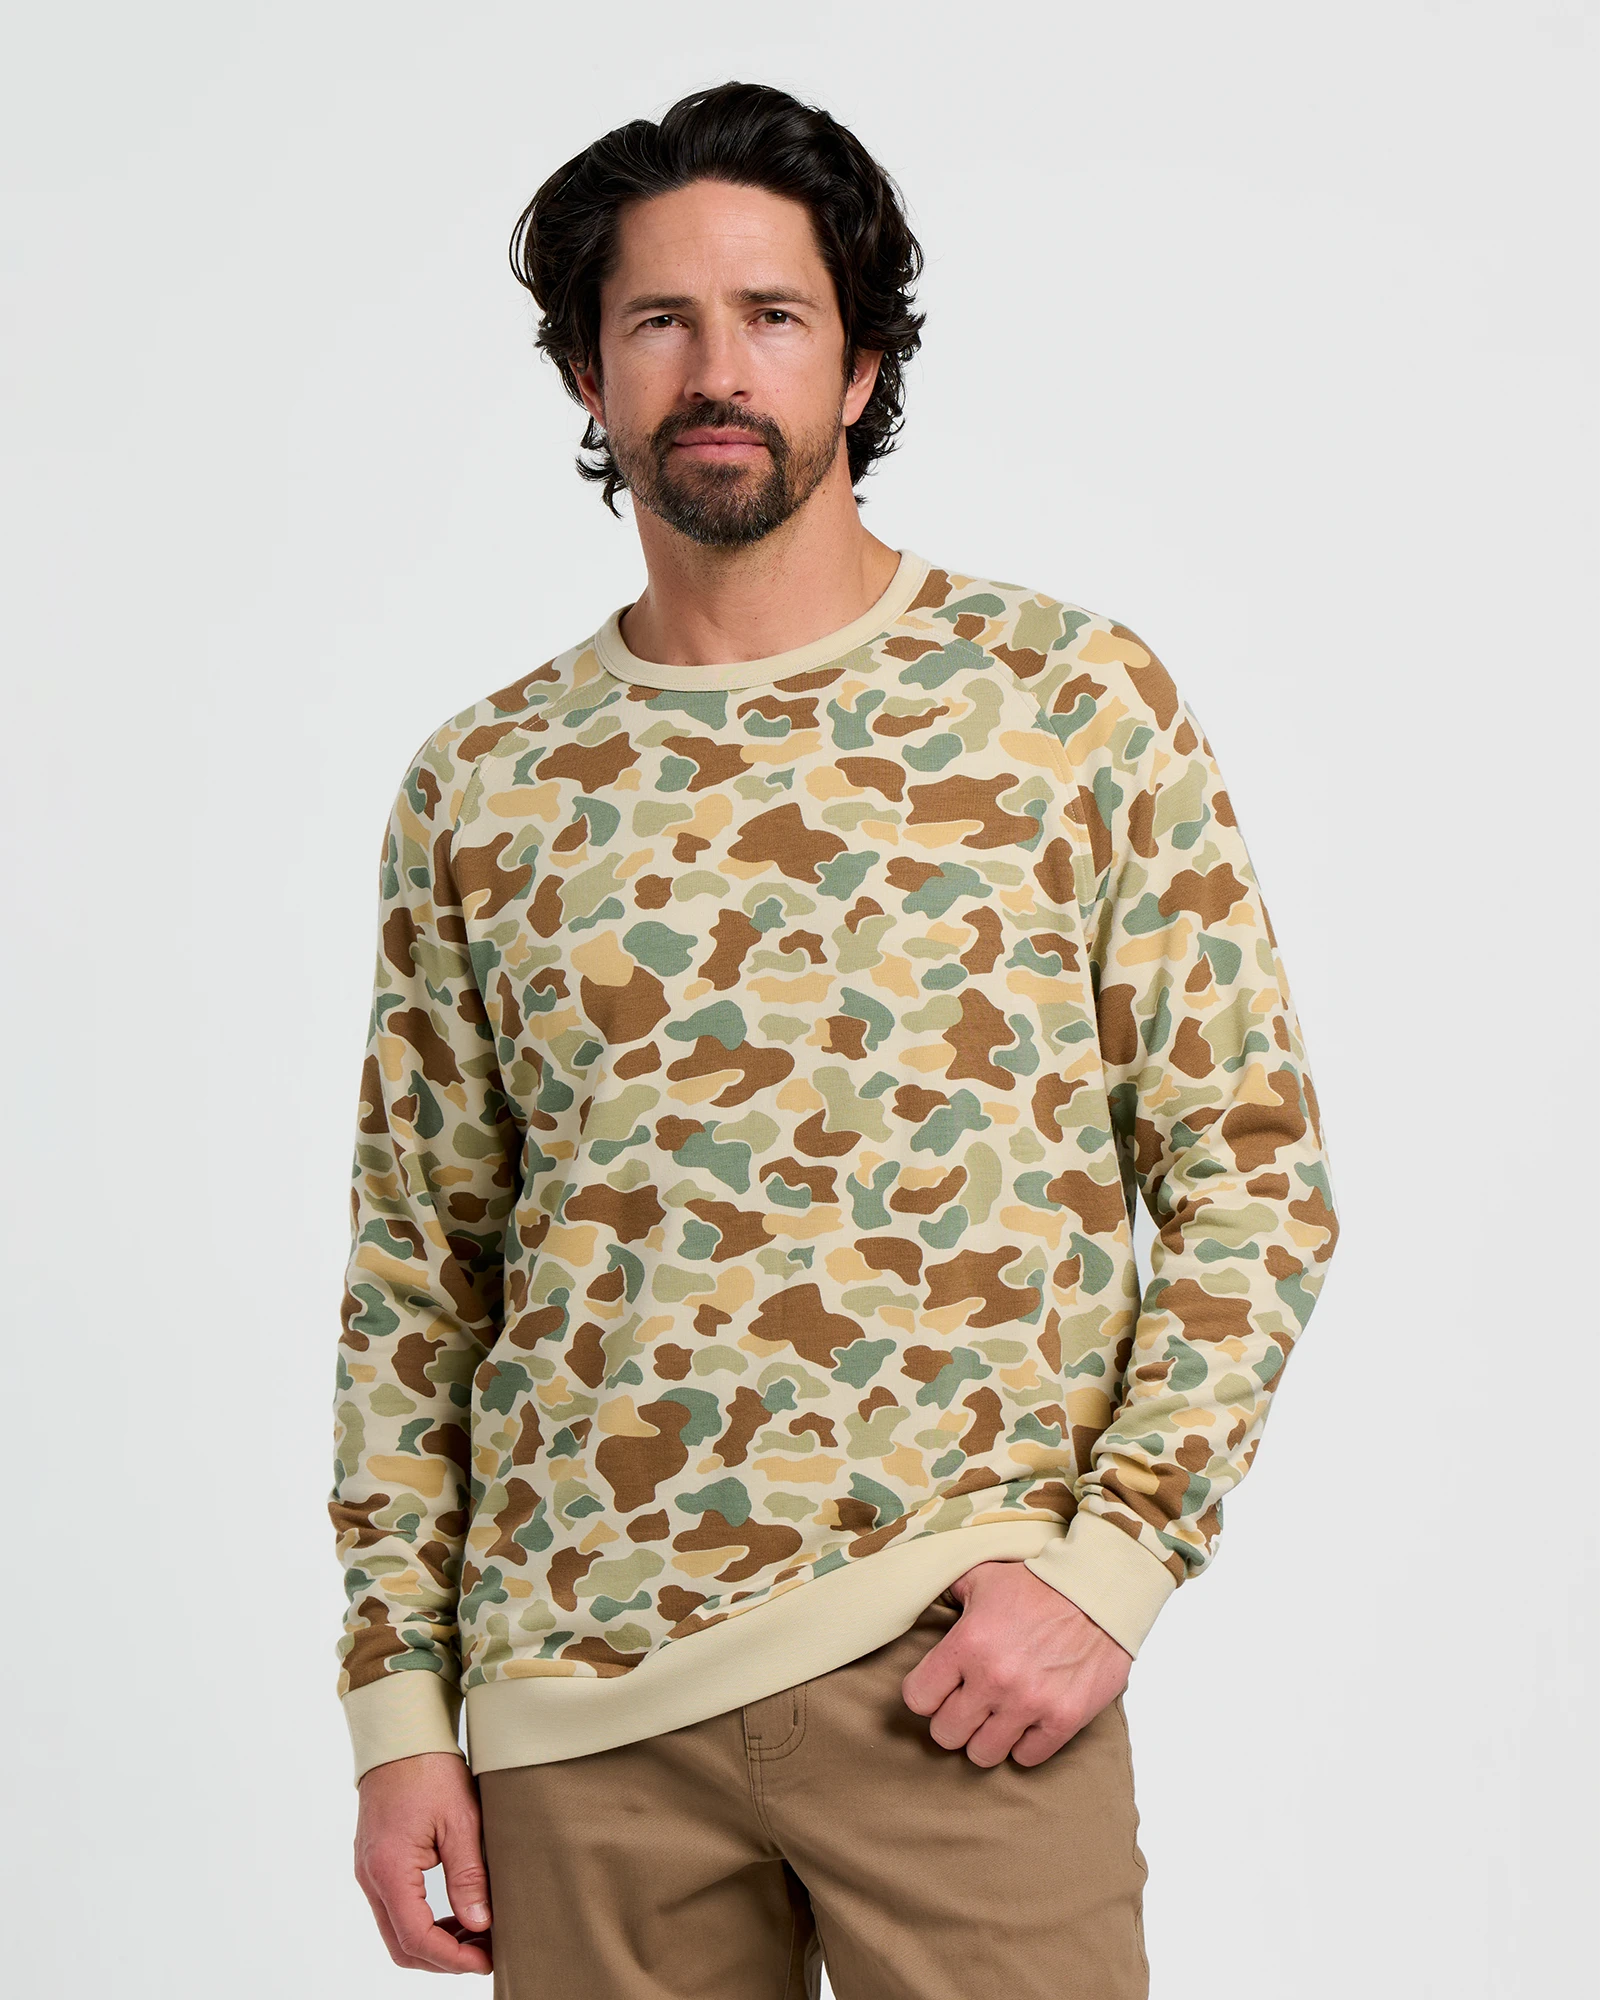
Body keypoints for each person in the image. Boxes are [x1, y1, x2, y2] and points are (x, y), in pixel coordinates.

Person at [328, 79, 1340, 2000]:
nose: (718, 371)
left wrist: (1113, 1568)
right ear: (588, 375)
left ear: (862, 365)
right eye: (660, 320)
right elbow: (415, 1281)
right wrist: (399, 1717)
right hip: (572, 1722)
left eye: (773, 316)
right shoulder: (485, 783)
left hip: (961, 1680)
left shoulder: (1063, 701)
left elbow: (1254, 1179)